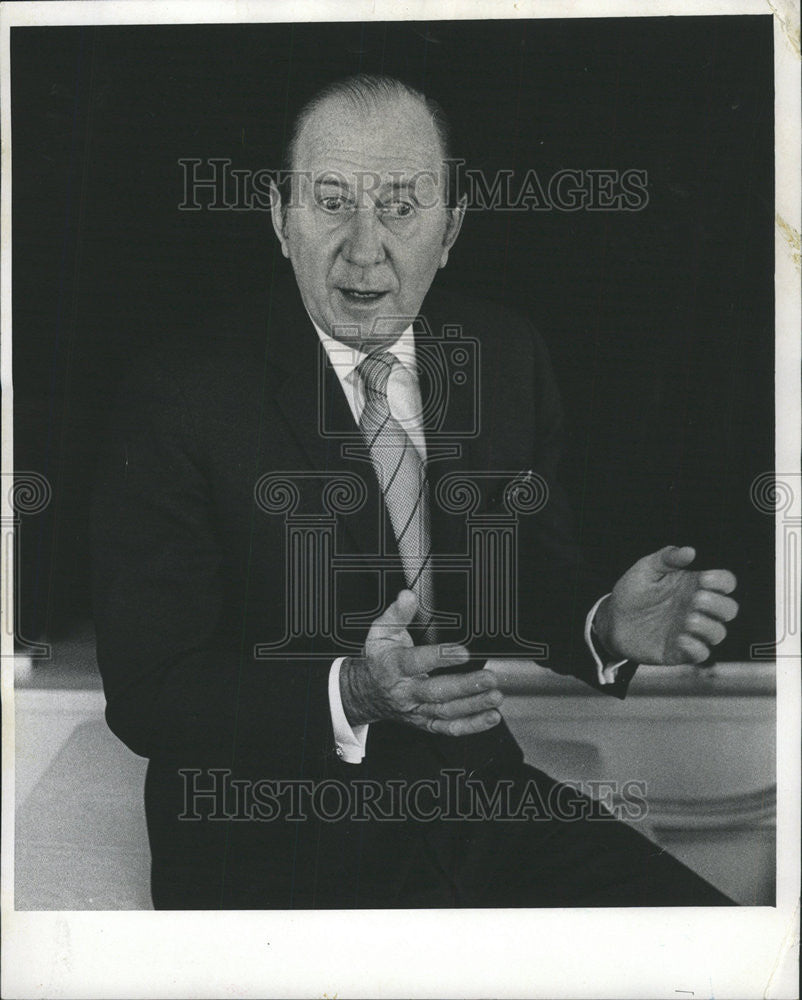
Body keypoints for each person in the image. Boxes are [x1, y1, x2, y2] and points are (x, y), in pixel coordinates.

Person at [91, 73, 740, 909]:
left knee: (708, 949)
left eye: (402, 205)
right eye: (330, 202)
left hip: (479, 804)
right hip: (267, 842)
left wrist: (603, 622)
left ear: (451, 229)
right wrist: (352, 691)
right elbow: (150, 691)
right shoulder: (177, 395)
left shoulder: (501, 356)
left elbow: (524, 572)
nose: (365, 249)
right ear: (281, 222)